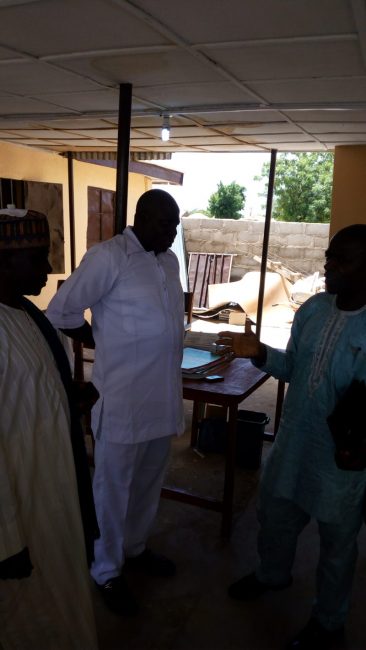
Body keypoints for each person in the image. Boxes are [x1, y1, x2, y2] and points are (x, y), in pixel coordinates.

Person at [218, 224, 366, 650]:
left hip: (342, 460)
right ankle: (272, 575)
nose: (329, 265)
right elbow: (295, 370)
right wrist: (261, 352)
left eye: (343, 259)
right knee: (275, 516)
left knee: (337, 544)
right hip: (294, 442)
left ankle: (329, 622)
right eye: (329, 255)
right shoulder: (314, 310)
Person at [47, 189, 185, 615]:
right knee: (112, 489)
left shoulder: (169, 260)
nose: (173, 231)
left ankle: (136, 547)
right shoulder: (109, 256)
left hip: (162, 399)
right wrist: (97, 338)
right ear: (142, 219)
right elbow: (62, 311)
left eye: (176, 223)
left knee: (147, 483)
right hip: (123, 401)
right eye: (167, 224)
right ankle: (106, 570)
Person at [0, 209, 100, 650]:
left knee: (63, 597)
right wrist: (5, 541)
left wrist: (69, 398)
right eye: (38, 257)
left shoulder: (28, 314)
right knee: (25, 612)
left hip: (52, 484)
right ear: (3, 261)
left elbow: (33, 390)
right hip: (19, 509)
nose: (47, 267)